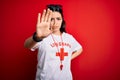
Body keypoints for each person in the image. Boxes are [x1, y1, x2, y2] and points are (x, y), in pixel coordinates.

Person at [24, 4, 83, 80]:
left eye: (58, 19)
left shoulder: (68, 38)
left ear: (62, 20)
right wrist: (37, 37)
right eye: (52, 19)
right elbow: (27, 45)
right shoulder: (42, 36)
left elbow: (80, 49)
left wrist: (68, 58)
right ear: (47, 20)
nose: (55, 23)